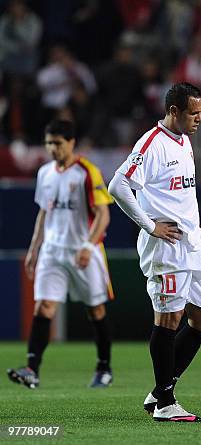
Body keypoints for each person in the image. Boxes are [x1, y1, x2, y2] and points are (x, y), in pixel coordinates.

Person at [108, 82, 201, 422]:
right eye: (193, 113)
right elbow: (118, 186)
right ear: (173, 112)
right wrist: (150, 225)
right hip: (166, 247)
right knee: (169, 318)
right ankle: (166, 402)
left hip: (192, 245)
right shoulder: (152, 144)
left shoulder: (183, 140)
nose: (200, 119)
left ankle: (159, 391)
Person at [8, 119, 114, 389]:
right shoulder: (45, 173)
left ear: (71, 143)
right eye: (49, 143)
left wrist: (89, 246)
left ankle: (104, 367)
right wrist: (34, 248)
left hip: (82, 251)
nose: (53, 148)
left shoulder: (87, 172)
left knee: (96, 309)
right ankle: (32, 369)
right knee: (44, 306)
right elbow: (44, 212)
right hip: (52, 251)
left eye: (58, 143)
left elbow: (103, 214)